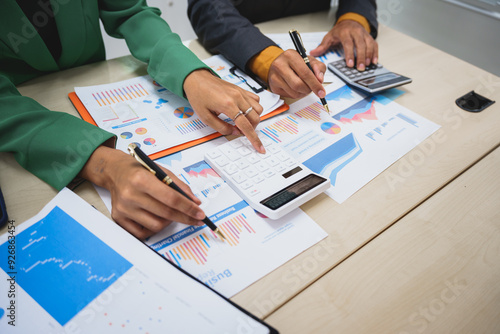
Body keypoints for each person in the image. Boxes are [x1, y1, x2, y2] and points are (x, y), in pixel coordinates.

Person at [0, 0, 266, 239]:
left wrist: (192, 74)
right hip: (24, 132)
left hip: (96, 85)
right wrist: (103, 164)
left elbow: (131, 13)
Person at [188, 0, 378, 100]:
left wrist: (354, 17)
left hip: (316, 20)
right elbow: (207, 6)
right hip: (242, 34)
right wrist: (265, 58)